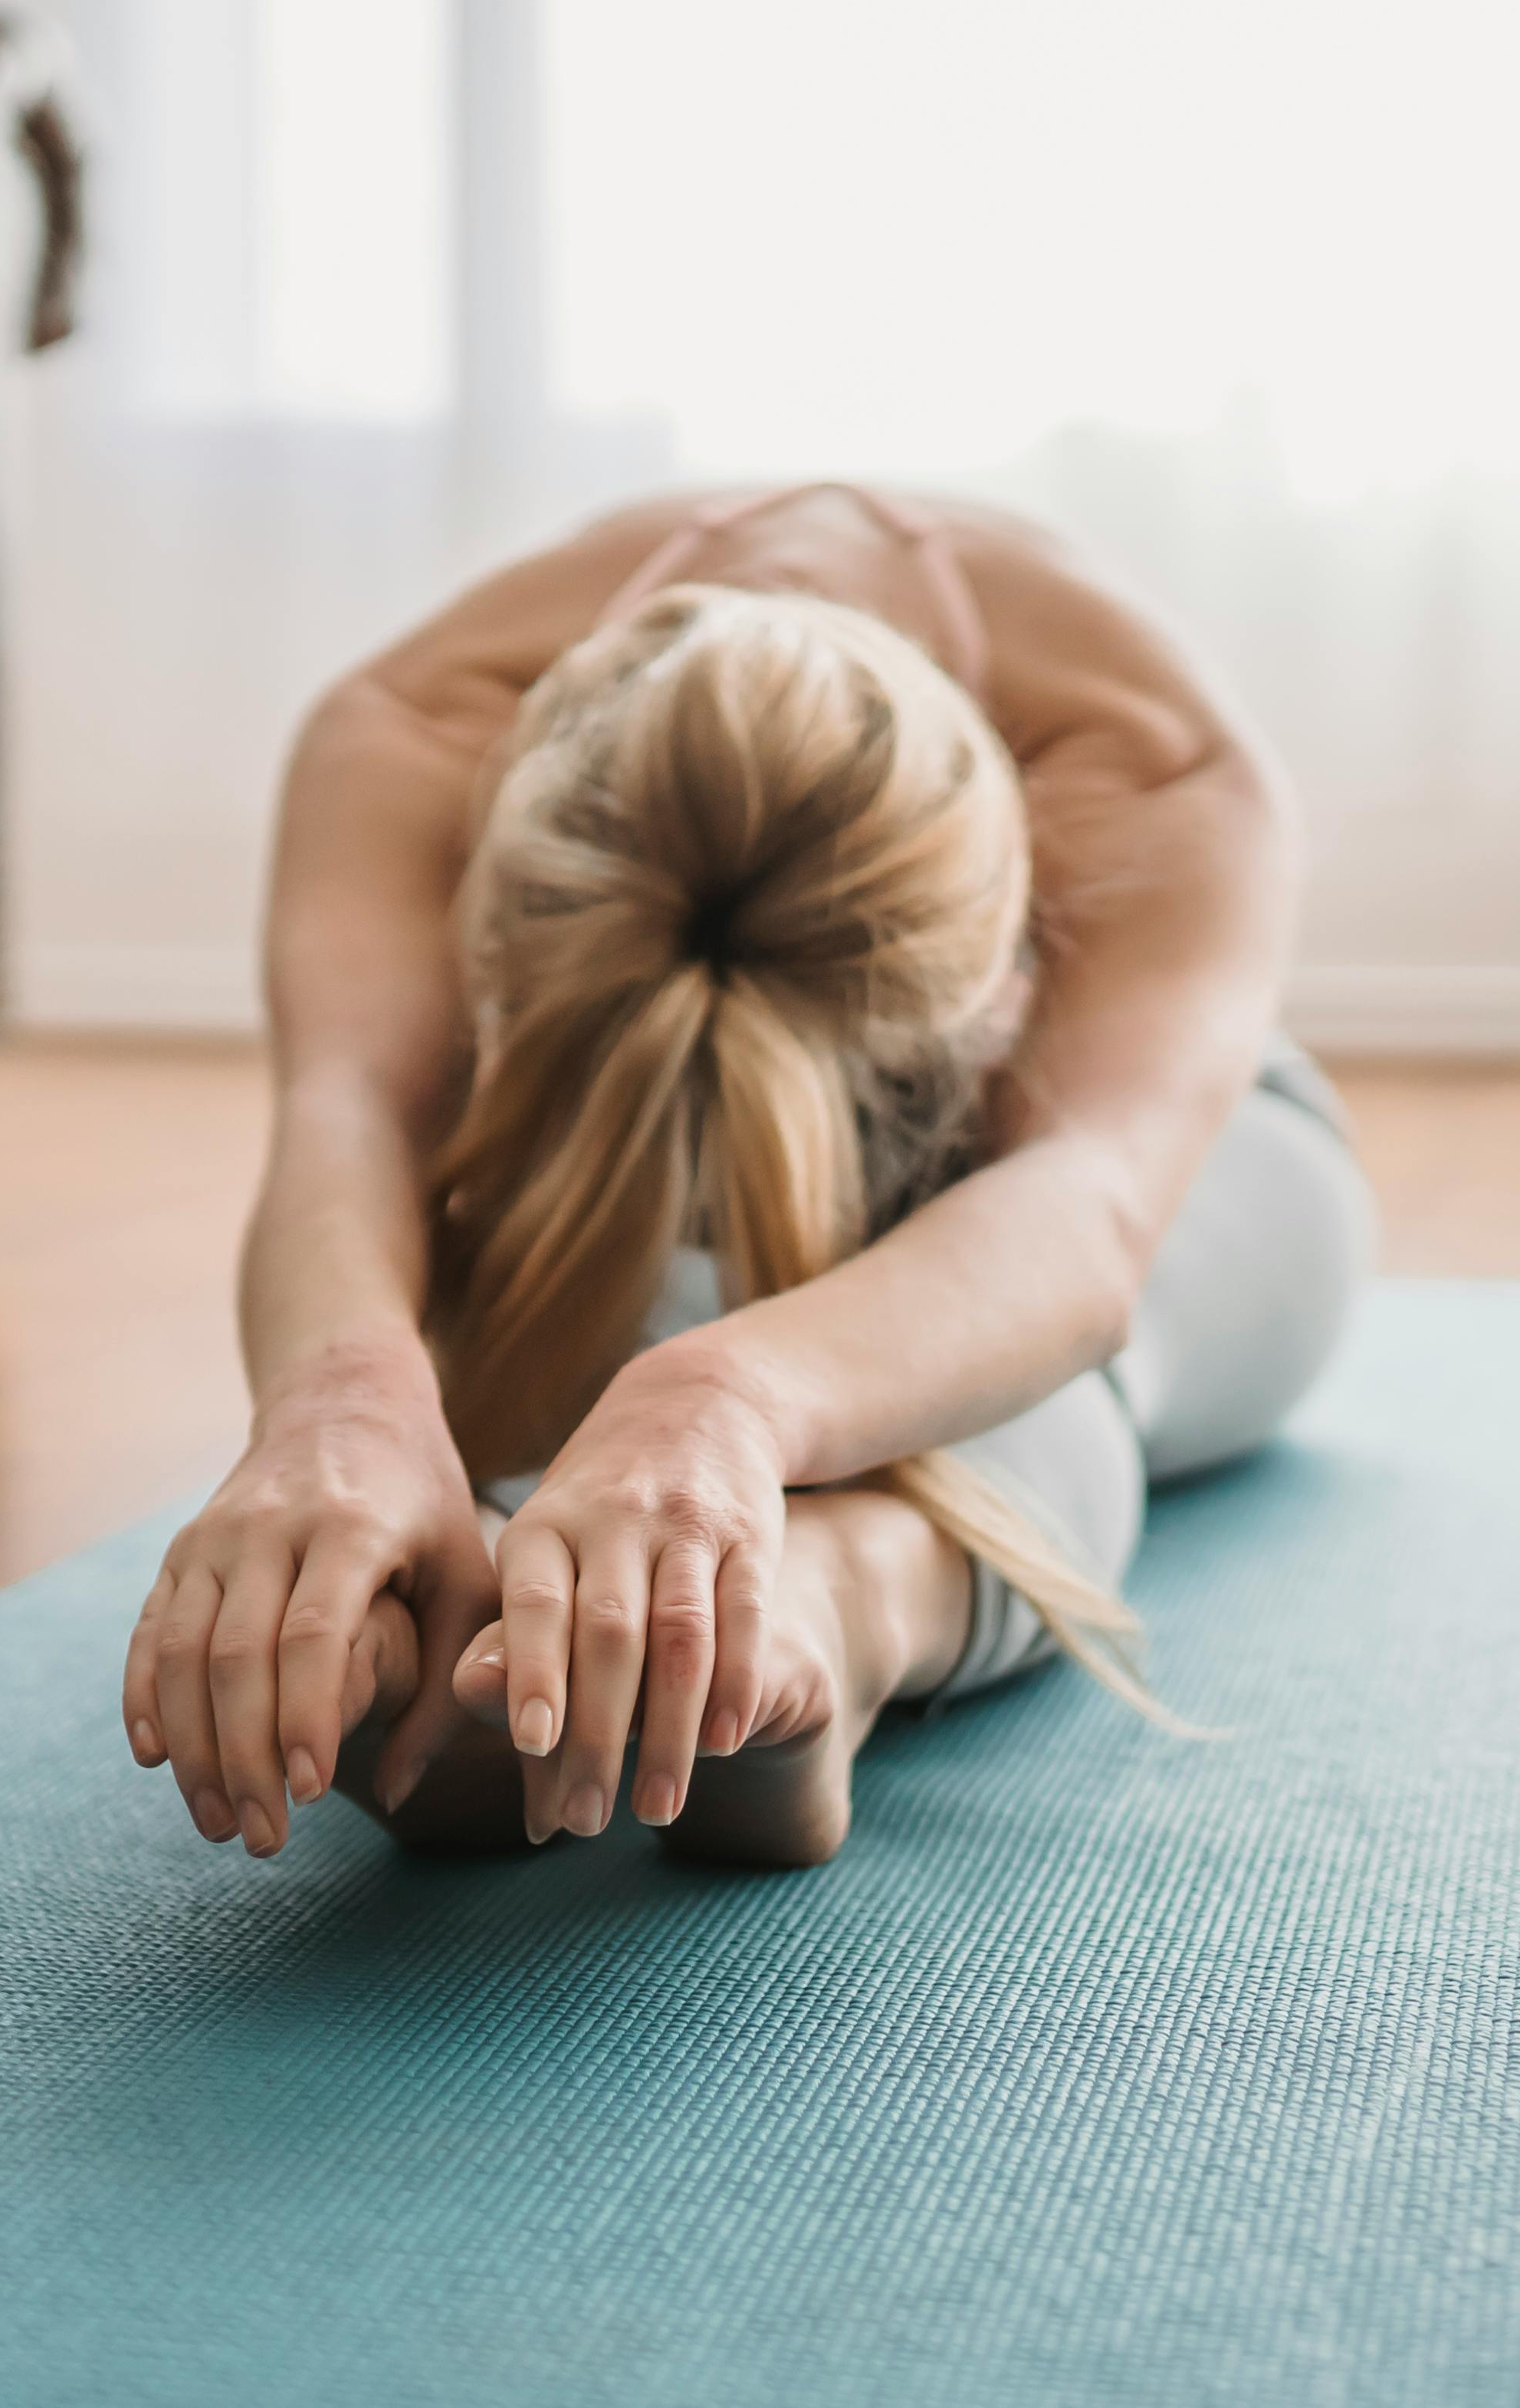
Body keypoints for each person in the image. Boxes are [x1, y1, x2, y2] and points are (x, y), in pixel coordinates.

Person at [120, 480, 1371, 1867]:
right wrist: (339, 1411)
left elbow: (1087, 1209)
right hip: (605, 1168)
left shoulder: (1147, 764)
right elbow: (351, 1111)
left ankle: (840, 1603)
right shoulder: (415, 735)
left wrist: (723, 1397)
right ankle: (500, 1620)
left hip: (1131, 1171)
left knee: (1049, 1364)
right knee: (629, 1321)